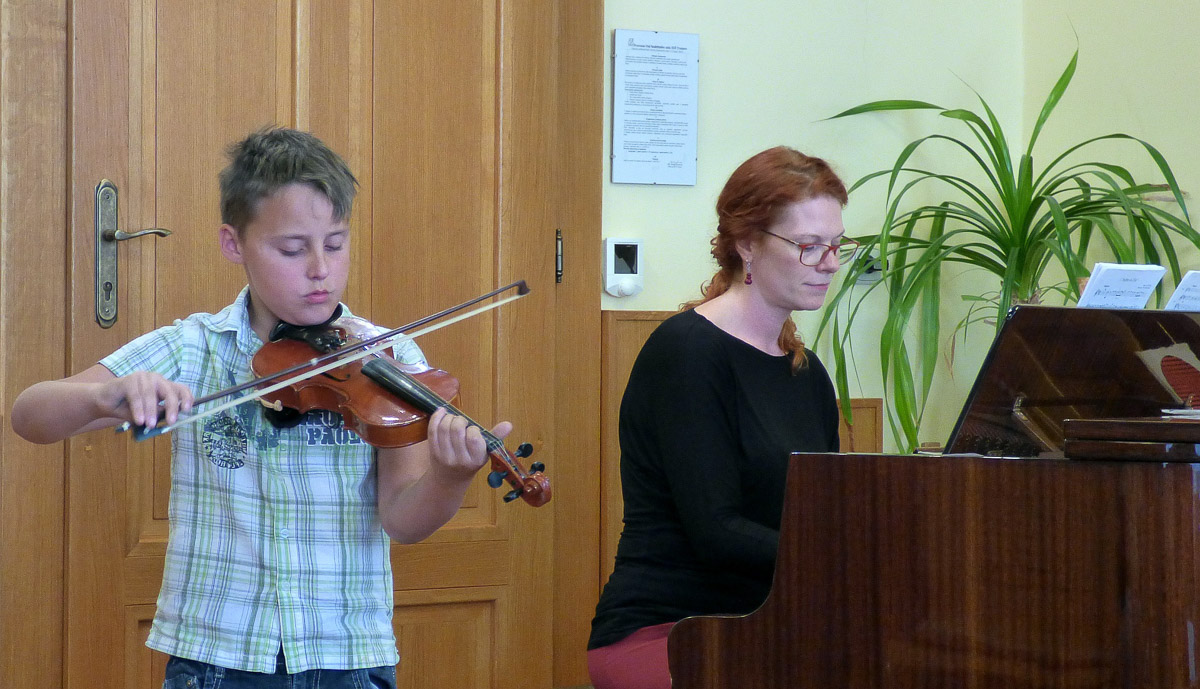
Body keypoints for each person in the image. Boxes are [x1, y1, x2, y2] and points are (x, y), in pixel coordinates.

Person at [10, 127, 509, 688]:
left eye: (336, 243)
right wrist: (103, 396)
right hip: (217, 656)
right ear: (233, 244)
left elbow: (403, 520)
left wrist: (449, 478)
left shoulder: (387, 358)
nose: (320, 268)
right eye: (292, 250)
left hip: (346, 655)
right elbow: (31, 414)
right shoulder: (194, 348)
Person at [587, 146, 854, 689]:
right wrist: (848, 558)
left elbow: (821, 511)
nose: (829, 263)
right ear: (747, 244)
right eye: (808, 246)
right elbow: (716, 531)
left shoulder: (807, 373)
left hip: (773, 623)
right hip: (670, 627)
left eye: (836, 246)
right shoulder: (688, 352)